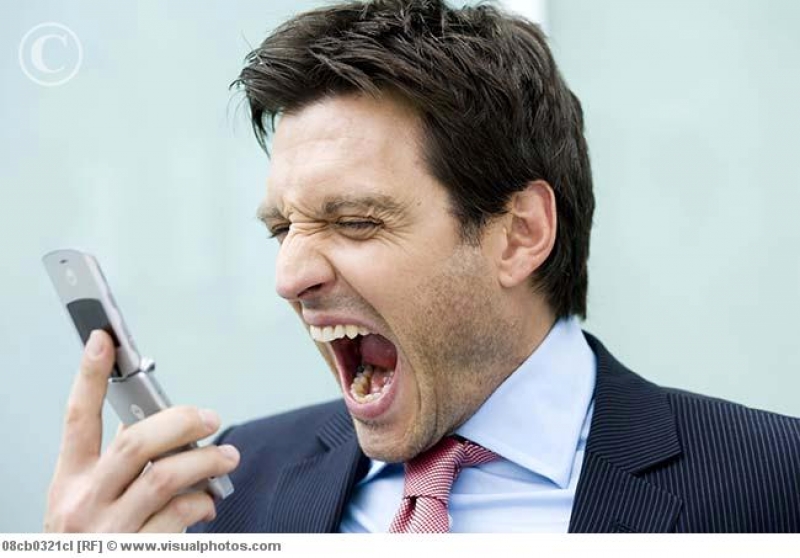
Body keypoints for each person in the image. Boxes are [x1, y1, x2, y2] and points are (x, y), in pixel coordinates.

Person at [45, 0, 799, 533]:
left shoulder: (773, 487)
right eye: (282, 229)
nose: (290, 277)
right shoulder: (225, 496)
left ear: (520, 234)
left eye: (355, 221)